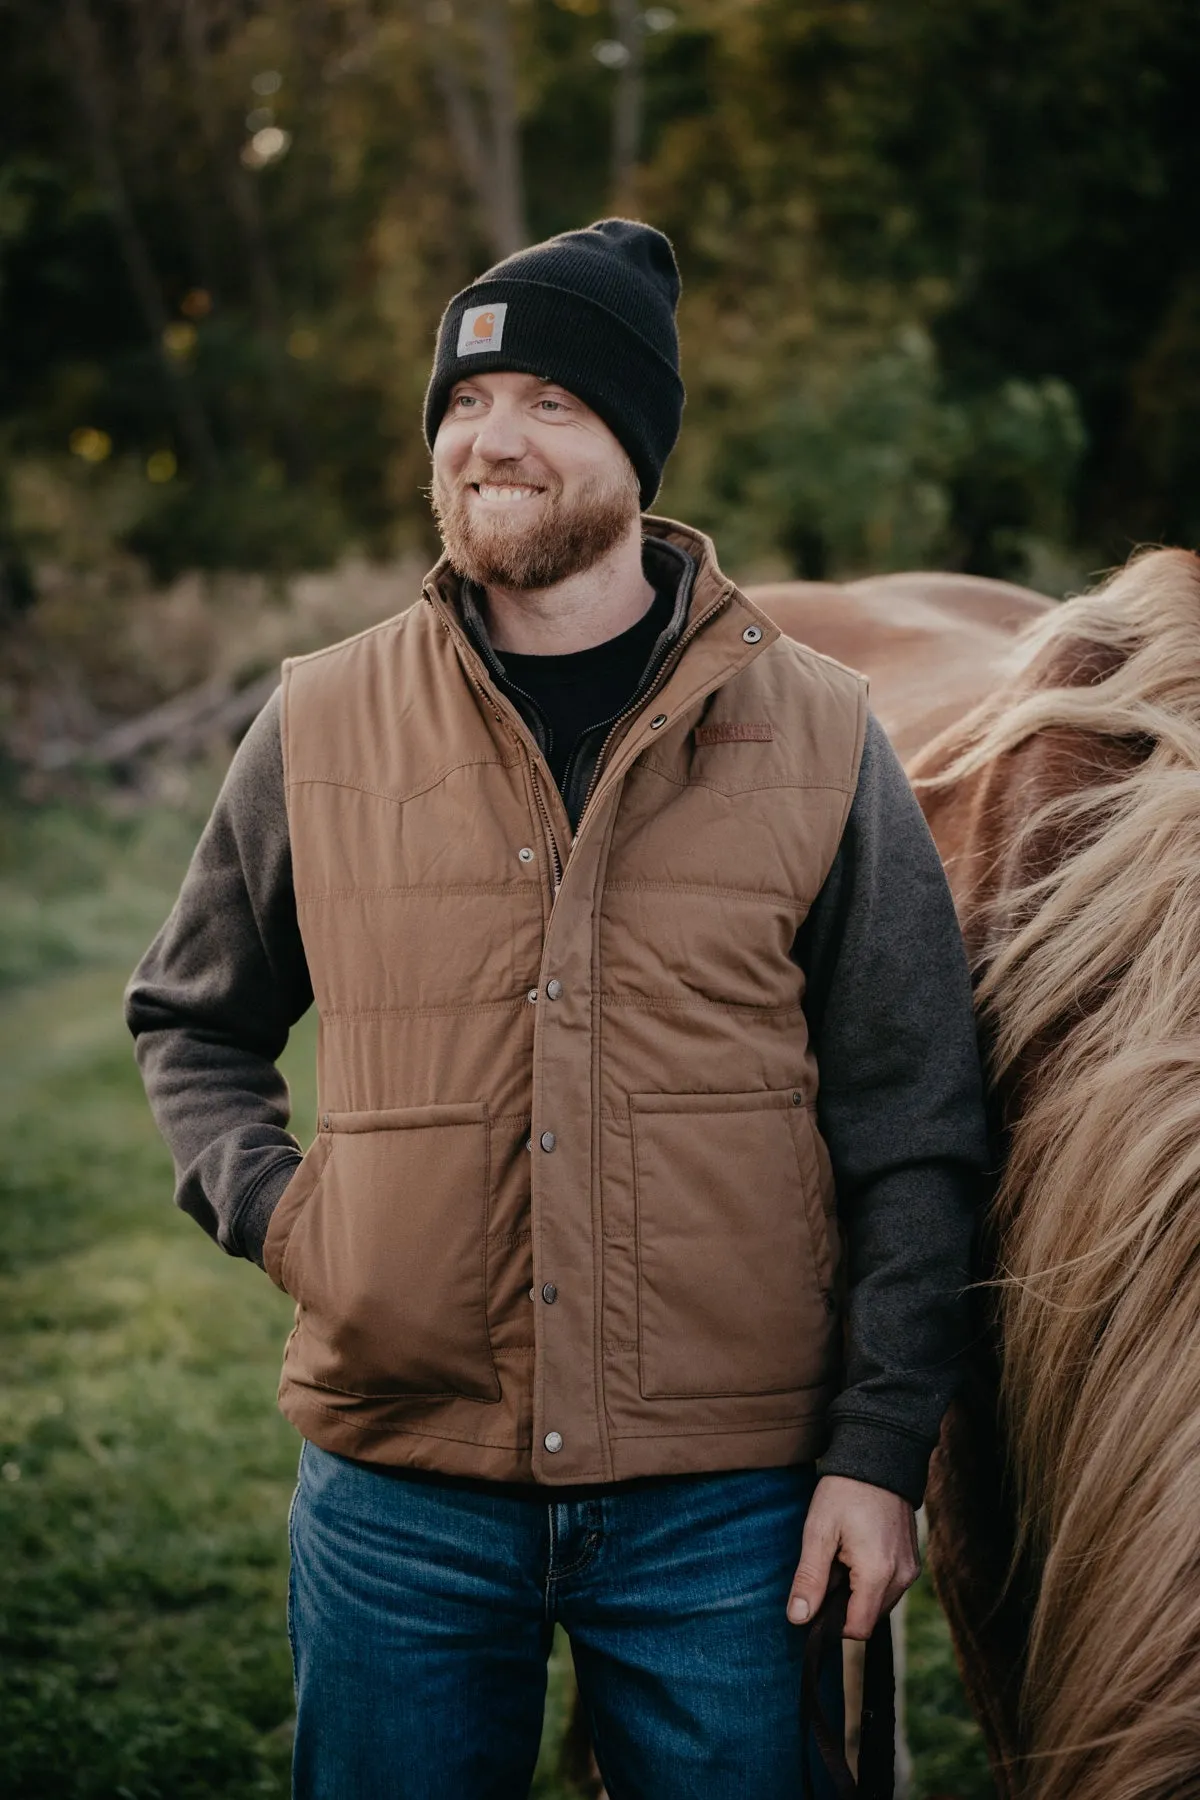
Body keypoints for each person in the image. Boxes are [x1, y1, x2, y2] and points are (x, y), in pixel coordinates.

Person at [126, 218, 988, 1799]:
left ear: (636, 450)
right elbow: (193, 1018)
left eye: (547, 402)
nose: (487, 439)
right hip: (400, 1492)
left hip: (728, 1512)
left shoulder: (820, 737)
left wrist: (876, 1456)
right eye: (463, 402)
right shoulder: (320, 719)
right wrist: (298, 1219)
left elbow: (918, 1126)